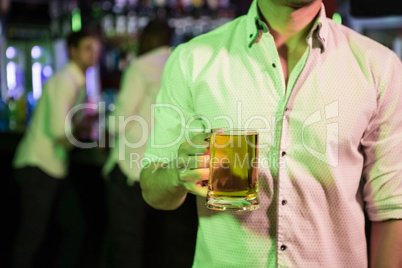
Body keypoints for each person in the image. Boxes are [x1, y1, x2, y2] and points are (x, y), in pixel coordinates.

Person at [139, 0, 402, 267]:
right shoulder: (193, 59)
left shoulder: (379, 66)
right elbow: (153, 187)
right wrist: (178, 173)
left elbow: (392, 206)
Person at [12, 29, 101, 268]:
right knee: (33, 236)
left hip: (53, 168)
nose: (94, 54)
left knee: (73, 228)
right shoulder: (65, 82)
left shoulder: (77, 82)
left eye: (96, 48)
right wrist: (87, 126)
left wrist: (85, 124)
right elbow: (61, 135)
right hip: (38, 166)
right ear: (72, 51)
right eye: (87, 48)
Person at [101, 19, 173, 268]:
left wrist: (102, 124)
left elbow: (118, 122)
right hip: (164, 169)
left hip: (130, 169)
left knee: (125, 247)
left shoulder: (141, 67)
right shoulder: (179, 65)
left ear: (150, 38)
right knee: (155, 245)